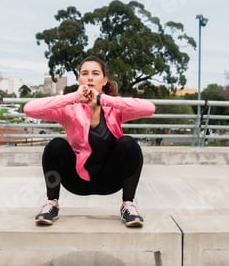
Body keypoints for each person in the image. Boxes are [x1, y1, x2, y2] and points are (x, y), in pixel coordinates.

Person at [23, 55, 155, 228]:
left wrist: (102, 99)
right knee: (56, 145)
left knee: (128, 143)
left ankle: (128, 205)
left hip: (111, 179)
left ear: (104, 79)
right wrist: (73, 98)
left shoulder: (113, 109)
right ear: (79, 79)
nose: (90, 77)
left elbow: (149, 108)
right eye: (84, 73)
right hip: (77, 180)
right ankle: (51, 204)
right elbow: (29, 109)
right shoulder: (69, 110)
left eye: (95, 73)